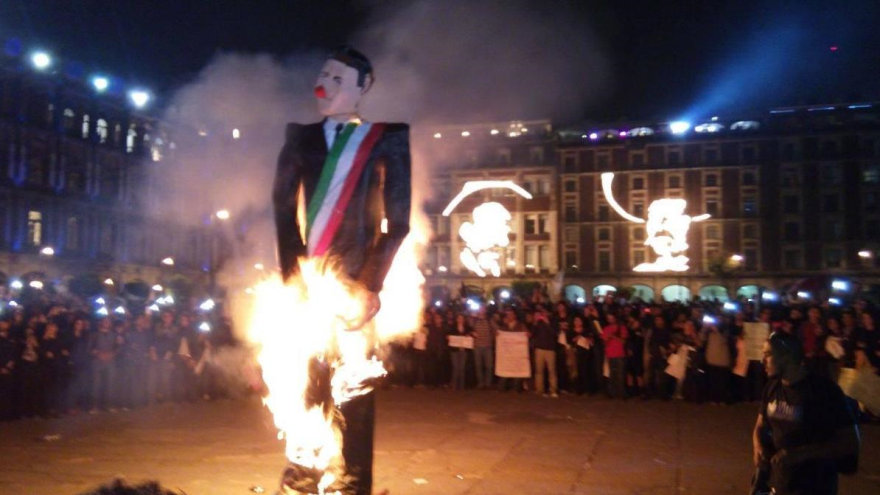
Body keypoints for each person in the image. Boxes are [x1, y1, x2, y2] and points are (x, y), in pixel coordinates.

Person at [273, 45, 411, 494]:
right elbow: (281, 209)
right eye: (323, 75)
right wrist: (296, 275)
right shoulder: (300, 137)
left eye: (337, 79)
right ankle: (303, 478)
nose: (324, 85)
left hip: (355, 287)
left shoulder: (385, 138)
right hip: (310, 282)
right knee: (306, 381)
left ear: (362, 87)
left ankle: (352, 485)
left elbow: (398, 222)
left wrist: (370, 285)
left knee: (355, 389)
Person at [752, 331, 860, 495]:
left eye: (768, 354)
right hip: (778, 482)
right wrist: (758, 445)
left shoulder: (824, 391)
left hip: (814, 485)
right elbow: (760, 426)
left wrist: (799, 454)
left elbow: (850, 442)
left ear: (787, 357)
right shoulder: (772, 387)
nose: (762, 360)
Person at [532, 305, 559, 398]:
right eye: (541, 312)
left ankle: (553, 390)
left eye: (544, 312)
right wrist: (535, 322)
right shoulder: (539, 322)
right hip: (539, 348)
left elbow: (555, 334)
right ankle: (539, 389)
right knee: (539, 370)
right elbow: (533, 333)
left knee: (552, 371)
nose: (543, 314)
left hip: (550, 349)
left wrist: (548, 323)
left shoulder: (554, 321)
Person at [602, 312, 628, 399]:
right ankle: (612, 392)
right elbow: (604, 341)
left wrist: (615, 337)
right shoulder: (606, 329)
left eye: (611, 317)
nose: (609, 320)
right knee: (612, 374)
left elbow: (624, 342)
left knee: (621, 374)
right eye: (608, 318)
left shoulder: (622, 328)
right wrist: (608, 337)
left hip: (620, 354)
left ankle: (622, 392)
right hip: (610, 354)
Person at [471, 306, 494, 389]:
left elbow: (496, 329)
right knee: (478, 366)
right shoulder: (474, 320)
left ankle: (488, 383)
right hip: (477, 346)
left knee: (489, 366)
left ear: (485, 310)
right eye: (480, 309)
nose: (482, 310)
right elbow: (468, 328)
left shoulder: (489, 320)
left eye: (483, 309)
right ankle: (480, 383)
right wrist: (472, 332)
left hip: (488, 346)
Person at [448, 313, 473, 390]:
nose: (460, 320)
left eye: (462, 318)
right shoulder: (452, 327)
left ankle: (461, 386)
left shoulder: (467, 328)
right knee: (455, 367)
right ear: (457, 319)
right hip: (454, 350)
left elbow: (473, 334)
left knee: (462, 367)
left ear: (464, 319)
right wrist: (448, 337)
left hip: (464, 350)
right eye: (459, 318)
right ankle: (454, 385)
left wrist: (470, 335)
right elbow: (447, 335)